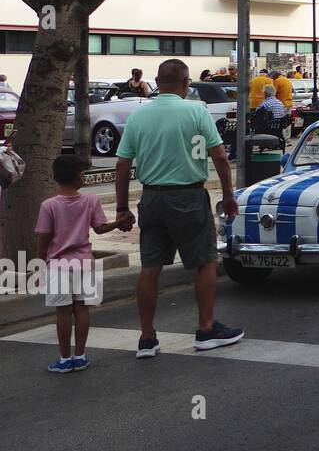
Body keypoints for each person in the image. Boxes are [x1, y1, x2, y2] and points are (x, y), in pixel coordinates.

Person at [115, 59, 242, 356]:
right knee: (206, 261)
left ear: (157, 82)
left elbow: (122, 164)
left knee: (150, 267)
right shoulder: (197, 111)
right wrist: (228, 194)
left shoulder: (139, 116)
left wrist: (122, 208)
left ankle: (147, 338)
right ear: (186, 83)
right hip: (188, 197)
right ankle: (206, 329)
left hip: (152, 198)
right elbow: (221, 158)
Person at [37, 155, 130, 373]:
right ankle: (80, 355)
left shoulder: (48, 206)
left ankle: (63, 359)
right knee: (82, 309)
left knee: (62, 312)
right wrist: (118, 223)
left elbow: (43, 240)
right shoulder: (91, 201)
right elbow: (100, 228)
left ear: (55, 177)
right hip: (85, 265)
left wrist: (41, 266)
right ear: (80, 177)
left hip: (58, 267)